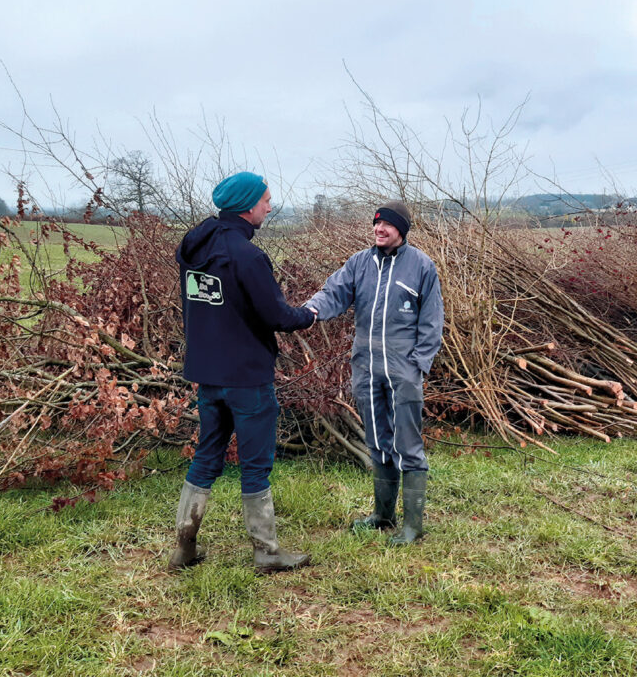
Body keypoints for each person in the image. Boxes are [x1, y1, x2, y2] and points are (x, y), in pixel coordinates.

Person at [170, 171, 316, 572]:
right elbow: (277, 316)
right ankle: (267, 553)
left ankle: (183, 547)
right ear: (249, 206)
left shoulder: (194, 247)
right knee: (255, 464)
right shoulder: (247, 256)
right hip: (247, 377)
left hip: (208, 373)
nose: (270, 207)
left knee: (206, 456)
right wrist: (310, 314)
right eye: (266, 200)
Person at [305, 201, 443, 545]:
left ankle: (413, 527)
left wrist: (417, 365)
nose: (379, 230)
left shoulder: (421, 266)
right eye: (376, 225)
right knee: (378, 441)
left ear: (402, 230)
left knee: (407, 445)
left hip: (403, 367)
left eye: (387, 225)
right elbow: (334, 293)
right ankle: (383, 516)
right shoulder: (359, 264)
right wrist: (308, 311)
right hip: (366, 366)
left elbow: (432, 322)